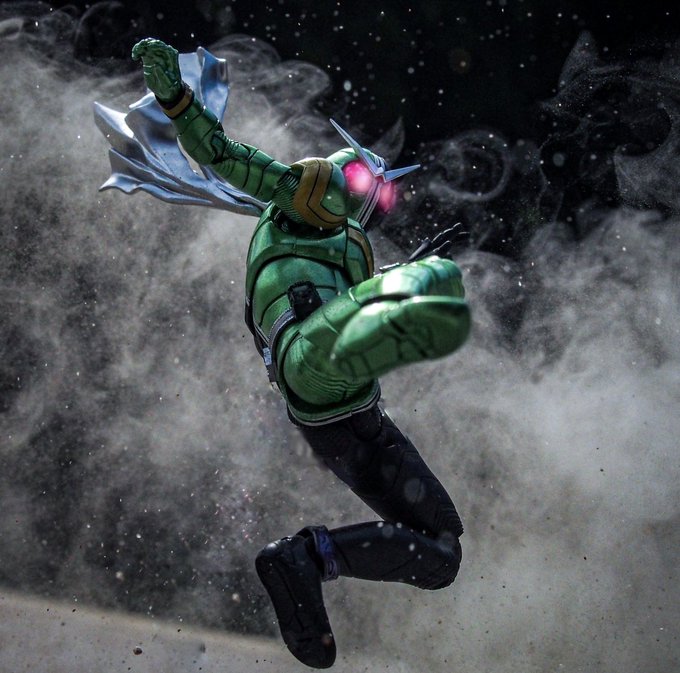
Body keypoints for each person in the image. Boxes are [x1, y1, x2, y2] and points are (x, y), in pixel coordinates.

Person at [124, 38, 470, 669]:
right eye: (369, 188)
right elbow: (220, 154)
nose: (368, 202)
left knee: (443, 549)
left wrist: (400, 275)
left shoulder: (349, 241)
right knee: (417, 293)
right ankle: (413, 302)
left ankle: (306, 560)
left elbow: (350, 291)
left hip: (349, 418)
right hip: (308, 359)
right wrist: (176, 99)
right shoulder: (305, 191)